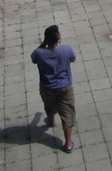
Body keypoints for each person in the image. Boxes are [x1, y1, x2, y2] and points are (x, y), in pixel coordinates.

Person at [30, 25, 77, 154]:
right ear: (58, 38)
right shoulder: (66, 50)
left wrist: (43, 44)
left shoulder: (39, 53)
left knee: (49, 105)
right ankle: (67, 144)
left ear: (46, 39)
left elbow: (33, 59)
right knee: (67, 113)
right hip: (65, 87)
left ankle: (51, 120)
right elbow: (73, 59)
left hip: (47, 87)